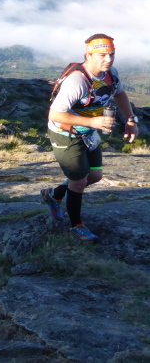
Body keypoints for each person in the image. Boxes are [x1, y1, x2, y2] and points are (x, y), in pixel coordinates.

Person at [41, 34, 138, 242]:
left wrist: (130, 120)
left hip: (87, 131)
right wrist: (93, 122)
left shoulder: (111, 74)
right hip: (66, 134)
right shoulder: (77, 81)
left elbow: (120, 94)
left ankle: (54, 194)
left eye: (111, 54)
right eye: (102, 55)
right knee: (79, 181)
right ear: (88, 55)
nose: (108, 59)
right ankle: (76, 226)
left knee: (95, 176)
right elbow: (54, 114)